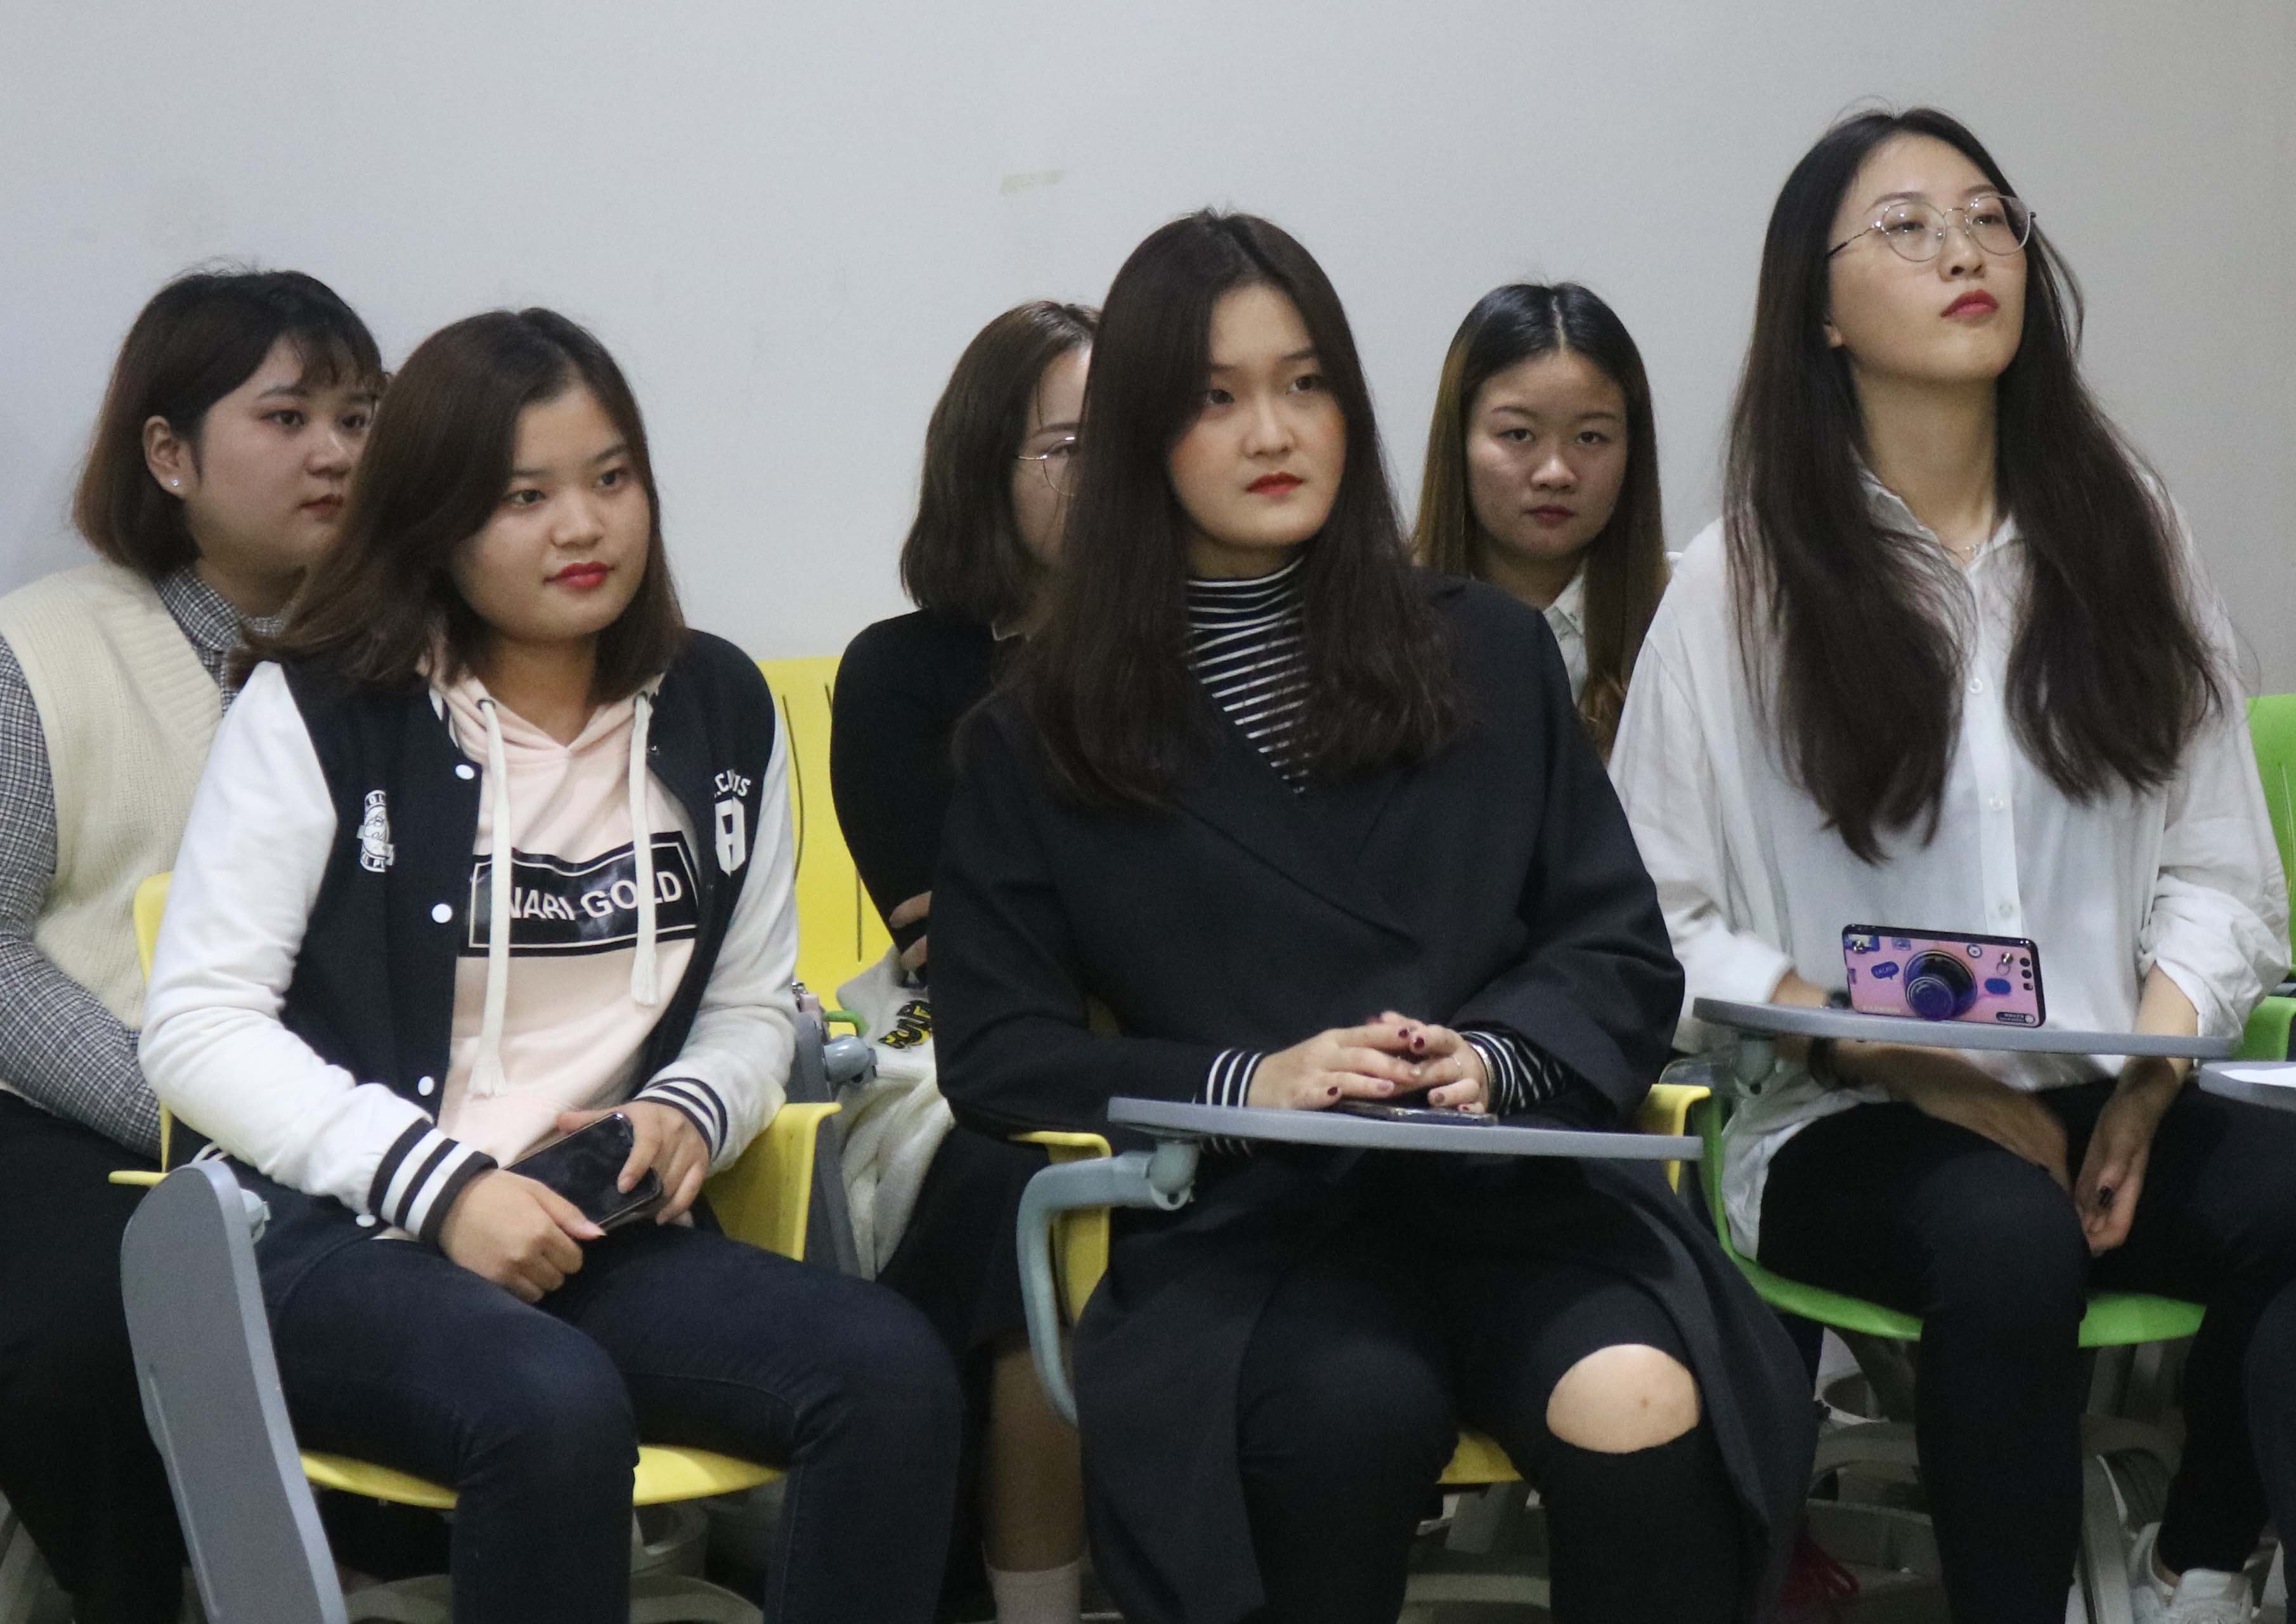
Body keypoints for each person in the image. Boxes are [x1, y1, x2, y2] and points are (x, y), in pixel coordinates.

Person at [930, 209, 1815, 1624]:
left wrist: (1495, 1057)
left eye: (1306, 384)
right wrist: (1247, 1082)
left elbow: (1612, 949)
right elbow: (997, 1048)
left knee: (1642, 1395)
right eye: (1215, 398)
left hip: (1514, 1199)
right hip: (1256, 1235)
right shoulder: (1038, 735)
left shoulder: (1487, 650)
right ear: (1139, 432)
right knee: (1350, 1412)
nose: (1273, 431)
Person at [139, 308, 961, 1624]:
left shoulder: (719, 708)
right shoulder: (319, 708)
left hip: (593, 1227)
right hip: (340, 1235)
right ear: (433, 519)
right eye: (524, 497)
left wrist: (689, 1108)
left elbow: (753, 1005)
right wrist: (444, 1186)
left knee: (890, 1369)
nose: (583, 526)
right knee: (549, 1402)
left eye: (611, 478)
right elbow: (196, 1024)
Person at [1609, 108, 2293, 1624]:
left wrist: (2152, 1075)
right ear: (1818, 309)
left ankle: (2193, 1564)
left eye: (1989, 217)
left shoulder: (2128, 536)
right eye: (1905, 226)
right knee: (2002, 1233)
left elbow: (2221, 869)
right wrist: (1888, 1050)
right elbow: (1652, 921)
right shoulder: (1736, 586)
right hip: (1840, 1111)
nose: (1964, 250)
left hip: (2101, 1085)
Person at [0, 268, 380, 1621]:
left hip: (362, 1116)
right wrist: (193, 1111)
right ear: (169, 454)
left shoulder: (409, 650)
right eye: (288, 417)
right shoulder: (43, 648)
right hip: (91, 1111)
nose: (336, 452)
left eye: (359, 417)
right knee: (85, 1338)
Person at [827, 299, 1096, 1624]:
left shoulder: (1206, 648)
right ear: (987, 463)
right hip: (960, 1054)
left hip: (1187, 1038)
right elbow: (958, 937)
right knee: (1019, 1182)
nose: (1106, 481)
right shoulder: (903, 672)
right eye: (1068, 449)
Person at [1411, 282, 1668, 755]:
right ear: (1458, 440)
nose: (1555, 473)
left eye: (1590, 437)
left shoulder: (1680, 624)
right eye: (1518, 434)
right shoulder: (1379, 626)